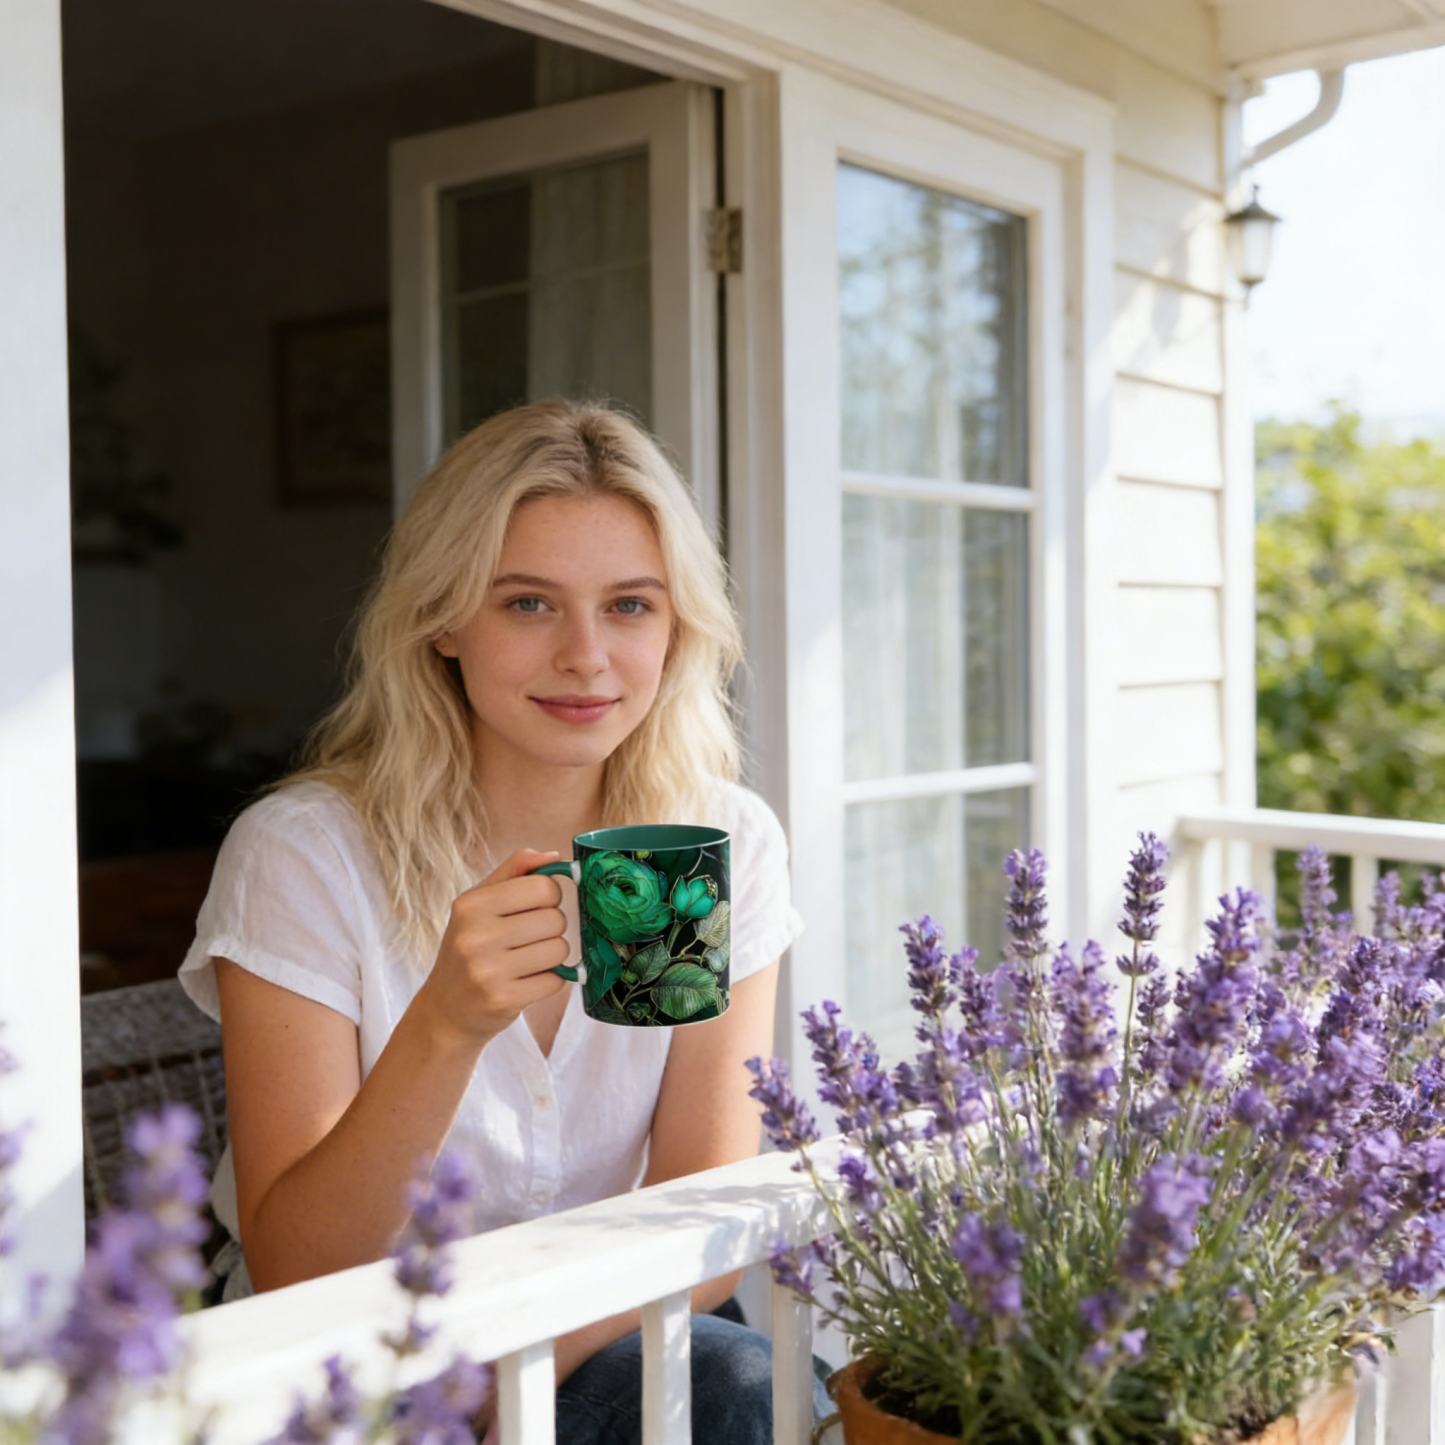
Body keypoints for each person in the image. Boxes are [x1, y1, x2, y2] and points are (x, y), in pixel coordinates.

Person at [177, 399, 822, 1444]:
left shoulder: (705, 842)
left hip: (608, 1318)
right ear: (442, 617)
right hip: (356, 1350)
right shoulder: (307, 854)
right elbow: (301, 1268)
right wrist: (443, 1024)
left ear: (677, 626)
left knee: (732, 1377)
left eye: (629, 606)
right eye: (527, 603)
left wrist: (518, 1363)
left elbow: (704, 1199)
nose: (586, 656)